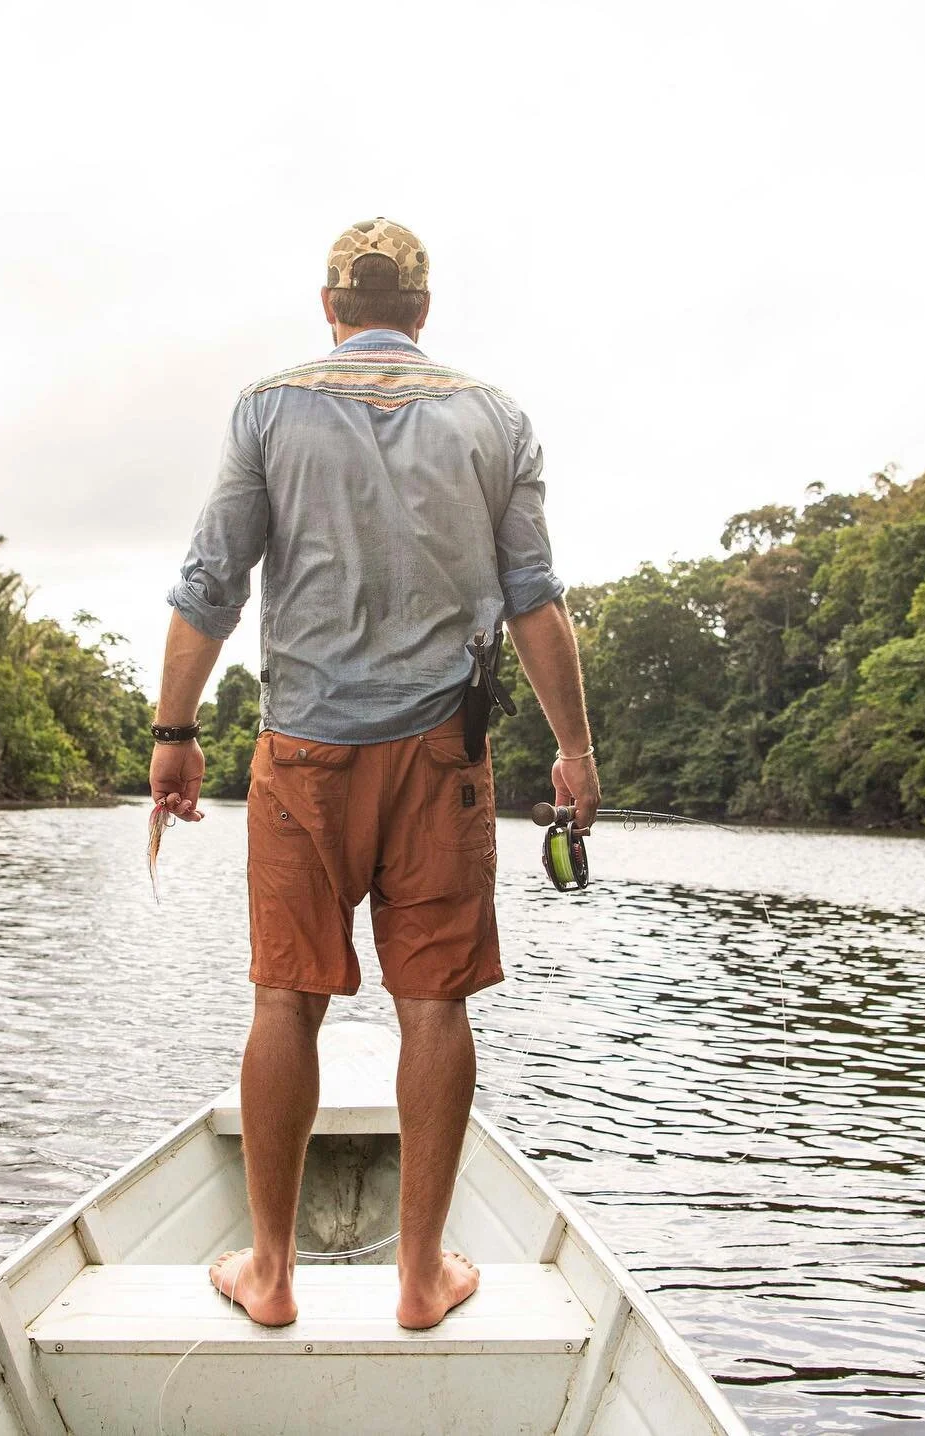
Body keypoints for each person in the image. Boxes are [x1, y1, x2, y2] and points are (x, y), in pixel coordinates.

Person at [149, 216, 599, 1330]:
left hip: (303, 753)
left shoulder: (266, 408)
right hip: (443, 756)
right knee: (434, 1004)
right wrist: (575, 749)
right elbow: (535, 598)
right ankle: (419, 1276)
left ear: (331, 307)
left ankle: (270, 1273)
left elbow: (211, 585)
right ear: (424, 310)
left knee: (285, 997)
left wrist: (174, 731)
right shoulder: (496, 417)